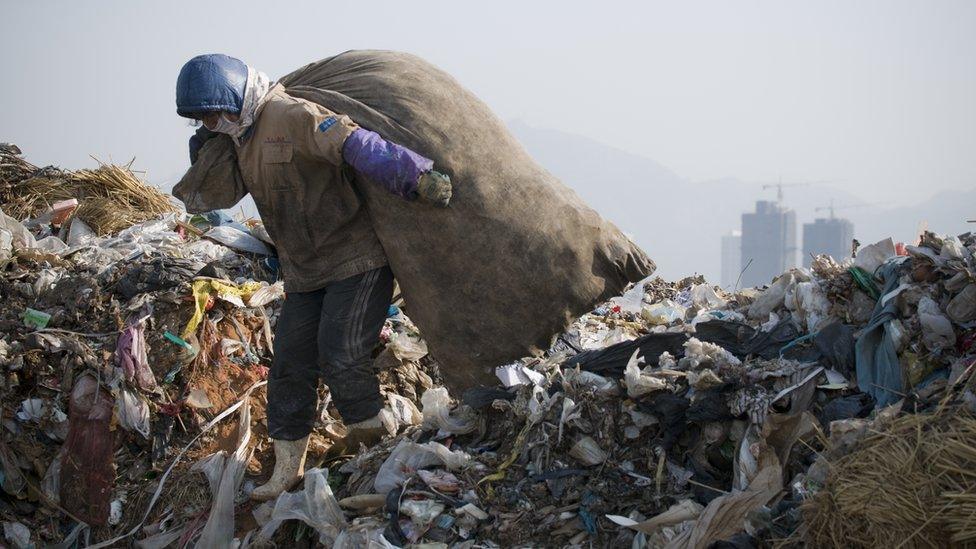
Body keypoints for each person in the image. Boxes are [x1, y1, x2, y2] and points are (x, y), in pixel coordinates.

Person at [174, 54, 453, 501]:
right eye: (200, 119)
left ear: (231, 96)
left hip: (355, 260)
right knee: (288, 365)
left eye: (211, 113)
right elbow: (214, 194)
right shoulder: (238, 139)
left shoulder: (290, 115)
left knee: (340, 353)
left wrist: (415, 176)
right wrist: (205, 149)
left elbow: (356, 145)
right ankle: (287, 469)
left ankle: (382, 449)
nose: (209, 123)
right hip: (304, 272)